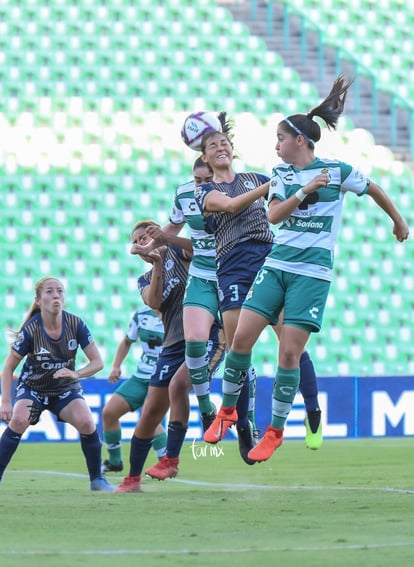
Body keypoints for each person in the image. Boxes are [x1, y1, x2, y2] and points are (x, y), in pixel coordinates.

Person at [204, 75, 409, 462]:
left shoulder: (338, 170)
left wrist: (397, 221)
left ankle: (276, 431)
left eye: (281, 138)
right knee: (240, 341)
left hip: (312, 274)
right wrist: (305, 189)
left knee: (288, 355)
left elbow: (375, 189)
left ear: (300, 140)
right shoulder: (282, 175)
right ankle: (227, 412)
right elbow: (274, 215)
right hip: (277, 265)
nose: (276, 145)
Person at [195, 114, 324, 454]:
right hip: (234, 265)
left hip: (269, 258)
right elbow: (235, 204)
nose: (220, 147)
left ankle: (313, 411)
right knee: (240, 344)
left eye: (224, 142)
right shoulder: (206, 191)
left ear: (232, 149)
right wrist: (277, 182)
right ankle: (241, 421)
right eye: (212, 146)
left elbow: (288, 198)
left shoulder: (257, 176)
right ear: (204, 158)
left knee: (291, 344)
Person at [141, 155, 257, 463]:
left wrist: (166, 239)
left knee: (237, 354)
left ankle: (244, 426)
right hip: (203, 276)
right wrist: (151, 245)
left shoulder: (233, 193)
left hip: (233, 271)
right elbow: (172, 227)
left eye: (207, 181)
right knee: (194, 338)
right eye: (197, 181)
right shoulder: (183, 195)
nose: (202, 186)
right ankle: (207, 410)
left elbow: (180, 241)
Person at [115, 220, 223, 491]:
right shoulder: (144, 279)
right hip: (173, 344)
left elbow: (201, 251)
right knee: (150, 413)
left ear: (157, 233)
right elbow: (154, 302)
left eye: (146, 235)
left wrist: (167, 241)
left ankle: (172, 459)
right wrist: (158, 264)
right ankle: (132, 479)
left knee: (179, 385)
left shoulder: (180, 251)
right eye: (137, 240)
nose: (142, 242)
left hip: (208, 334)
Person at [0, 276, 113, 491]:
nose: (56, 295)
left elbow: (97, 362)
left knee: (87, 423)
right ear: (38, 300)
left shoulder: (75, 324)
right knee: (19, 421)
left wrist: (75, 373)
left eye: (59, 291)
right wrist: (5, 401)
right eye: (49, 291)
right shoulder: (31, 330)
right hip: (33, 389)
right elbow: (7, 368)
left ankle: (97, 480)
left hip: (64, 390)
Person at [101, 305, 167, 473]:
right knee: (109, 412)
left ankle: (166, 462)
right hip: (140, 377)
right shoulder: (141, 313)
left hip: (163, 377)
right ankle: (115, 462)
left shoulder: (177, 313)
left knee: (149, 418)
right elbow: (126, 341)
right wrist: (116, 366)